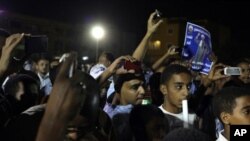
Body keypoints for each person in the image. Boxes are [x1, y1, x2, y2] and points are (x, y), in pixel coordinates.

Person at [159, 64, 198, 130]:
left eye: (188, 87)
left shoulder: (192, 116)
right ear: (164, 89)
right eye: (179, 87)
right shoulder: (156, 118)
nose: (186, 93)